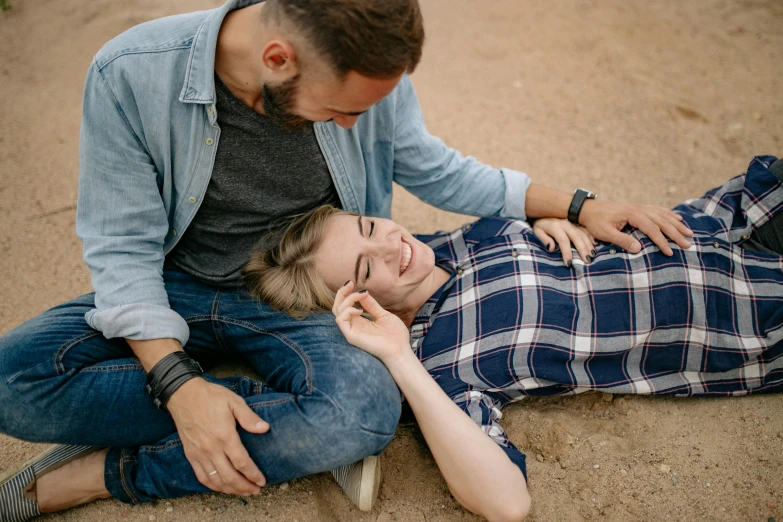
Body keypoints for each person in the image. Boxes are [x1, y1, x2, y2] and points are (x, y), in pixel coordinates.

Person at [0, 0, 694, 519]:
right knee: (12, 382)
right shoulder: (129, 75)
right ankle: (254, 414)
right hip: (169, 284)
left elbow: (434, 168)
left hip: (302, 296)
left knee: (359, 410)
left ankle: (99, 473)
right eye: (339, 112)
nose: (357, 128)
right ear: (277, 60)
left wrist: (574, 204)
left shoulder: (360, 76)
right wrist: (180, 388)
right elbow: (120, 249)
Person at [243, 156, 783, 521]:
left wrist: (546, 223)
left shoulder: (447, 241)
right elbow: (506, 503)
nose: (391, 246)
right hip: (748, 308)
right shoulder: (442, 362)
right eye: (365, 271)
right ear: (360, 305)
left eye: (368, 226)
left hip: (726, 217)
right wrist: (397, 356)